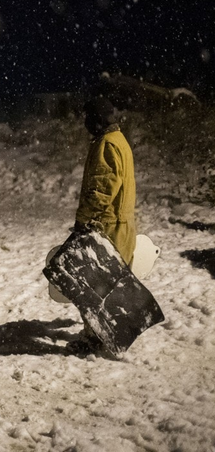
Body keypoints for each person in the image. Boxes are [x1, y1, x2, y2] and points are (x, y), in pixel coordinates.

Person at [68, 96, 136, 354]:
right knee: (115, 287)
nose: (85, 123)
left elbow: (101, 190)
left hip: (107, 225)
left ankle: (93, 340)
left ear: (96, 119)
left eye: (88, 118)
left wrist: (83, 219)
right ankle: (113, 333)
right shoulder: (120, 140)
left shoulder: (106, 144)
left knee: (95, 287)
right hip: (123, 223)